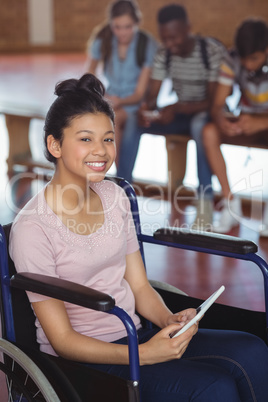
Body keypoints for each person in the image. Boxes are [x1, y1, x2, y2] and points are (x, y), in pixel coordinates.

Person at [9, 73, 268, 402]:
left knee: (253, 350)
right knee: (214, 388)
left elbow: (140, 286)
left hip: (136, 333)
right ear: (54, 144)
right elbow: (62, 340)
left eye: (108, 139)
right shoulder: (33, 228)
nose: (101, 151)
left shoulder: (115, 196)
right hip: (86, 362)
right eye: (85, 139)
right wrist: (144, 354)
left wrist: (168, 320)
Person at [117, 3, 226, 230]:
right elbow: (153, 95)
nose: (170, 44)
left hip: (206, 117)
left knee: (199, 126)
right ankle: (122, 191)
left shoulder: (210, 51)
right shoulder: (164, 54)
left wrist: (175, 108)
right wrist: (147, 110)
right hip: (179, 116)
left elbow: (213, 102)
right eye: (165, 38)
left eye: (174, 37)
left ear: (188, 28)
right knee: (135, 121)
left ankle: (204, 203)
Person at [202, 18, 268, 235]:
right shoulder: (231, 58)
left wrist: (261, 122)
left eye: (255, 58)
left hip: (263, 121)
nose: (248, 64)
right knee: (209, 131)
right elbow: (217, 105)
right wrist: (221, 118)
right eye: (244, 59)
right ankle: (231, 203)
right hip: (246, 117)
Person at [86, 0, 157, 168]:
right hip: (110, 100)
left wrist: (117, 102)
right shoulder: (103, 38)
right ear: (111, 24)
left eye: (128, 27)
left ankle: (120, 176)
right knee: (101, 120)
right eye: (117, 27)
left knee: (113, 120)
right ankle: (118, 175)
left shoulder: (146, 44)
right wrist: (102, 97)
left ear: (137, 23)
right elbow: (88, 77)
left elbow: (140, 93)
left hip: (135, 103)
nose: (122, 32)